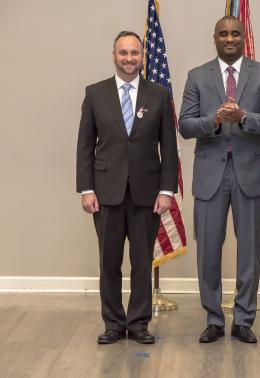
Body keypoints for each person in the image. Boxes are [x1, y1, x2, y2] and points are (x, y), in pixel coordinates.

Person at [179, 16, 260, 344]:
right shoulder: (197, 76)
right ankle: (213, 318)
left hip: (251, 174)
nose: (229, 39)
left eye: (235, 33)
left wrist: (244, 118)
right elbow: (184, 126)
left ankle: (243, 319)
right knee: (207, 249)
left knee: (250, 250)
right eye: (223, 34)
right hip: (210, 174)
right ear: (214, 38)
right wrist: (214, 120)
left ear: (243, 38)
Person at [76, 31, 178, 345]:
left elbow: (169, 149)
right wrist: (86, 189)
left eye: (135, 53)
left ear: (142, 56)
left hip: (147, 194)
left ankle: (138, 324)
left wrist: (166, 191)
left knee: (141, 261)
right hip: (105, 193)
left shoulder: (159, 94)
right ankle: (112, 323)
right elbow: (84, 146)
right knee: (108, 261)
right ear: (114, 55)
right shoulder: (95, 93)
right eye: (124, 53)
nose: (129, 58)